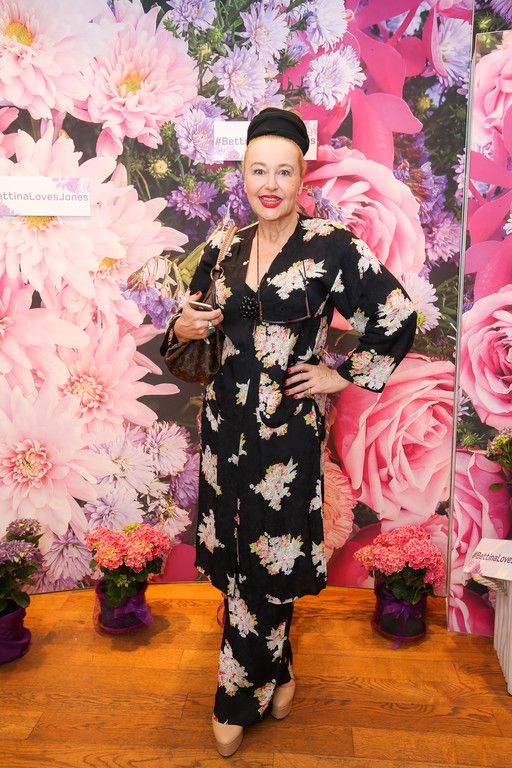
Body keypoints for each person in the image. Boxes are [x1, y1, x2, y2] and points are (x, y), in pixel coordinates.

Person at [161, 107, 417, 757]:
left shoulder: (332, 245)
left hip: (286, 437)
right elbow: (191, 335)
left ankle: (236, 695)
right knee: (239, 558)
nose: (270, 183)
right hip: (224, 431)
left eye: (284, 171)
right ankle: (279, 671)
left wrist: (340, 374)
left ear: (303, 176)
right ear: (243, 175)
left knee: (269, 559)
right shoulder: (222, 247)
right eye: (258, 170)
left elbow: (396, 314)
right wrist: (182, 328)